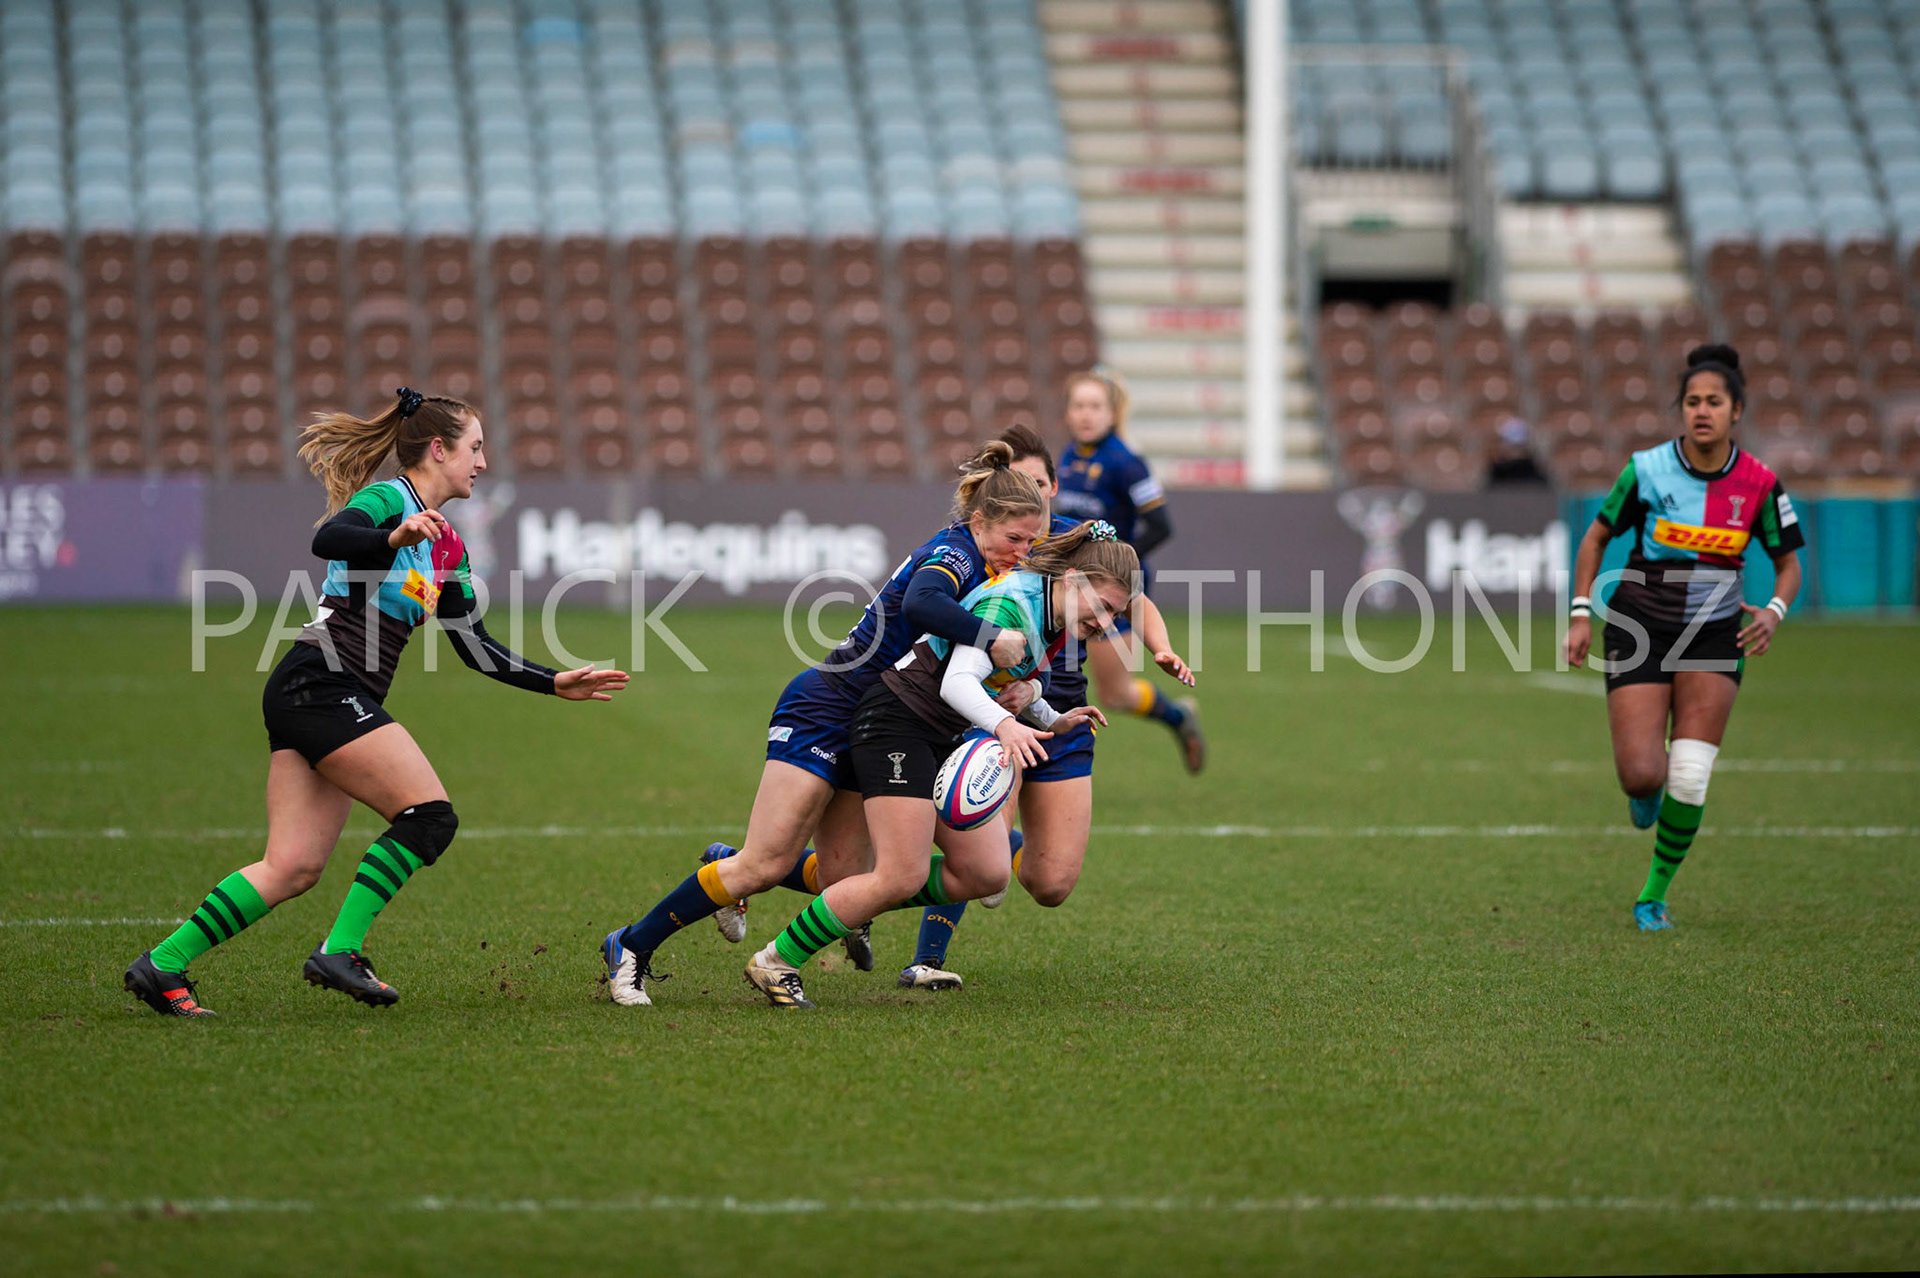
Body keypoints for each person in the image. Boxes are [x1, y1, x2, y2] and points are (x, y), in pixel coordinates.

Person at [124, 389, 628, 1016]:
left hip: (325, 695)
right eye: (474, 448)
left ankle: (162, 964)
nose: (483, 462)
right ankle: (341, 950)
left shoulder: (448, 548)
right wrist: (392, 535)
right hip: (322, 683)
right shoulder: (392, 500)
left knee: (293, 866)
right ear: (437, 450)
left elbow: (474, 646)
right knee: (429, 816)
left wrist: (553, 682)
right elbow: (331, 539)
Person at [601, 442, 1048, 1006]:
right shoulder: (956, 552)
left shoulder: (991, 566)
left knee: (847, 883)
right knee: (764, 862)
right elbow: (922, 605)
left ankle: (722, 867)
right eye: (1015, 539)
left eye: (1033, 542)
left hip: (881, 720)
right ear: (981, 520)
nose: (1023, 551)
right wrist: (990, 640)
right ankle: (633, 946)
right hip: (828, 706)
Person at [743, 522, 1133, 1008]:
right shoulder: (1010, 605)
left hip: (938, 734)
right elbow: (958, 683)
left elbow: (1014, 678)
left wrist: (1052, 716)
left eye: (1117, 614)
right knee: (899, 876)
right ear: (1074, 580)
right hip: (895, 726)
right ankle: (776, 960)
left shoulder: (1052, 613)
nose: (1108, 622)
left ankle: (853, 900)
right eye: (1105, 607)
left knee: (987, 871)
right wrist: (1004, 726)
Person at [901, 423, 1196, 990]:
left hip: (1056, 714)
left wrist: (1159, 648)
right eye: (1019, 486)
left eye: (1038, 484)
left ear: (1053, 488)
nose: (1029, 499)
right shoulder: (995, 549)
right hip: (996, 711)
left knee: (1050, 883)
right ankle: (925, 958)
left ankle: (880, 878)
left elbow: (1137, 599)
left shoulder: (1080, 549)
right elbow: (941, 615)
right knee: (983, 869)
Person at [1563, 346, 1804, 931]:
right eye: (1693, 401)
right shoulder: (1645, 470)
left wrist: (1773, 609)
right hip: (1640, 624)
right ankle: (1645, 792)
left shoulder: (1760, 483)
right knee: (1643, 774)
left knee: (1690, 773)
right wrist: (1578, 613)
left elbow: (1790, 562)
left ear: (1736, 411)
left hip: (1716, 633)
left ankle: (1652, 896)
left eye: (1714, 402)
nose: (1702, 411)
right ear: (1682, 409)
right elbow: (1595, 538)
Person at [1054, 367, 1205, 772]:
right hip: (1069, 588)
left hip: (1113, 593)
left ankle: (1178, 717)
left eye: (1095, 406)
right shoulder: (1067, 457)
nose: (1086, 414)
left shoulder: (1126, 462)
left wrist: (1115, 566)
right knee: (1050, 680)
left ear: (1112, 413)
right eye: (1079, 405)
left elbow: (1160, 525)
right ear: (1068, 413)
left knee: (1116, 695)